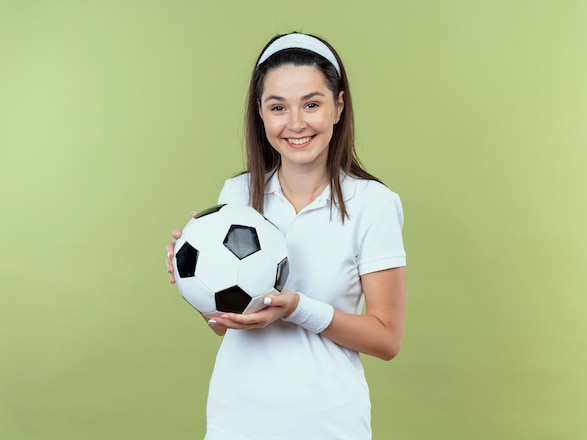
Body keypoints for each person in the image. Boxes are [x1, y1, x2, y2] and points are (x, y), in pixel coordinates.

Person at [165, 32, 406, 439]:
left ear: (338, 107)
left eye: (312, 104)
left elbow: (387, 339)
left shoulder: (373, 203)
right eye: (278, 107)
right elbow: (224, 325)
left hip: (329, 422)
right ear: (260, 113)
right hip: (236, 419)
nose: (295, 123)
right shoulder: (237, 195)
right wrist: (194, 279)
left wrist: (297, 308)